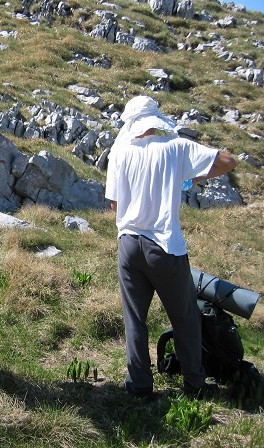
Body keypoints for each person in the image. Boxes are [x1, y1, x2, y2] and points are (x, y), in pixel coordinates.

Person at [105, 96, 237, 399]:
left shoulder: (119, 152)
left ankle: (140, 384)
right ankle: (194, 384)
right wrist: (188, 176)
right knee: (184, 317)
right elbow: (228, 161)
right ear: (156, 120)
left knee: (135, 319)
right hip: (164, 246)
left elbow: (114, 205)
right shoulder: (176, 148)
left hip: (128, 244)